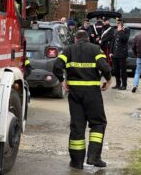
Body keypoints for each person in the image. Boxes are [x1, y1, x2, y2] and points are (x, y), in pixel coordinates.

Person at [53, 30, 112, 170]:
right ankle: (93, 157)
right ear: (87, 39)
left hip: (74, 94)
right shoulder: (95, 49)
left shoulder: (68, 50)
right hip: (92, 93)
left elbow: (56, 67)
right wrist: (108, 80)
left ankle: (77, 162)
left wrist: (62, 81)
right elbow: (104, 67)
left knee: (77, 127)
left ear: (75, 39)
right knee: (98, 123)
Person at [110, 20, 130, 90]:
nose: (117, 25)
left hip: (122, 54)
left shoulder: (126, 31)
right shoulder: (115, 31)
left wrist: (120, 31)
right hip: (115, 54)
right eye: (117, 23)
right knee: (116, 70)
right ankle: (118, 84)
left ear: (122, 25)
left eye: (119, 24)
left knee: (123, 71)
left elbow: (125, 39)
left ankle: (124, 85)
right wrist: (110, 52)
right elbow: (113, 41)